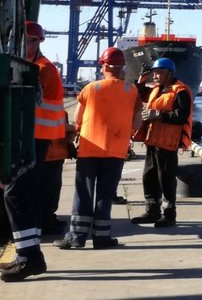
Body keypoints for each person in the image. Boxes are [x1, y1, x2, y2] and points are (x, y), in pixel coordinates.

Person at [54, 47, 140, 250]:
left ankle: (77, 236)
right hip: (116, 151)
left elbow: (77, 119)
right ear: (122, 68)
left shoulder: (91, 88)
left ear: (104, 66)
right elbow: (137, 123)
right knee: (105, 193)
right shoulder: (132, 90)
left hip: (90, 149)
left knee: (84, 192)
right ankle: (102, 237)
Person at [1, 21, 65, 282]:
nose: (19, 45)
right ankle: (26, 254)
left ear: (36, 42)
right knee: (21, 196)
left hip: (35, 141)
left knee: (16, 195)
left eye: (25, 40)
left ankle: (30, 258)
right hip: (30, 140)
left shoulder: (41, 70)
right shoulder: (35, 68)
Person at [131, 58, 193, 228]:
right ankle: (152, 211)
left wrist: (158, 114)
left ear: (169, 73)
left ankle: (169, 214)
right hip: (152, 141)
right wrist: (142, 78)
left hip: (168, 143)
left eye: (159, 72)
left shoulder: (180, 91)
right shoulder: (156, 89)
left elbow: (182, 115)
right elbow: (136, 93)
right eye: (154, 72)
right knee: (148, 177)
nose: (156, 75)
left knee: (166, 178)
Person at [40, 113, 75, 235]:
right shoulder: (45, 102)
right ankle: (46, 222)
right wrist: (74, 128)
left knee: (53, 189)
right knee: (49, 190)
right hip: (49, 153)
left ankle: (49, 217)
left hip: (55, 152)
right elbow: (55, 125)